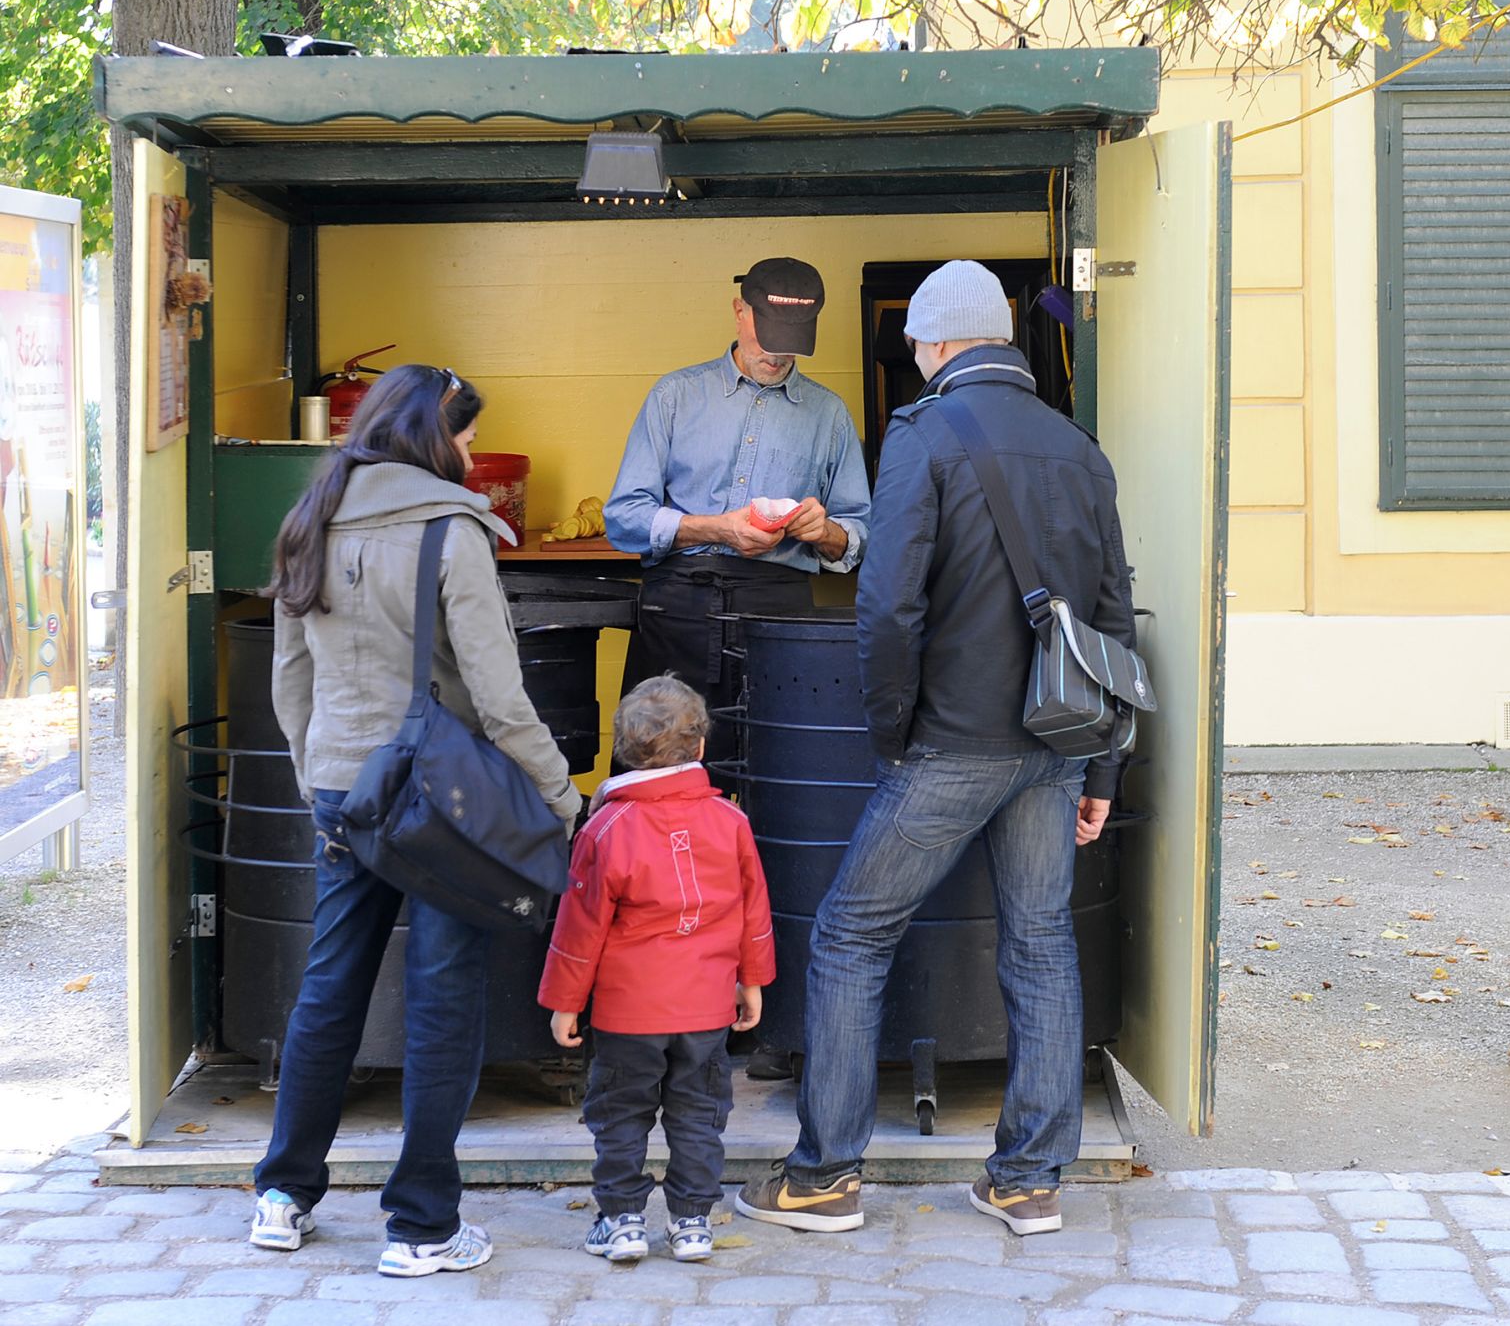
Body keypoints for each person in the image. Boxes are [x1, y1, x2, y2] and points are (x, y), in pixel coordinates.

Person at [736, 261, 1138, 1237]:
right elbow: (1111, 619)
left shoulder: (922, 432)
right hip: (1052, 744)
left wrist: (891, 733)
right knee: (1039, 947)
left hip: (950, 745)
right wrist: (1102, 770)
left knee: (845, 935)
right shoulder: (1079, 449)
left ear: (943, 342)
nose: (911, 360)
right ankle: (1027, 1178)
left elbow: (888, 603)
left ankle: (823, 1175)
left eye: (915, 344)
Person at [252, 364, 582, 1276]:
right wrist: (563, 798)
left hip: (340, 786)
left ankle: (282, 1194)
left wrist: (319, 776)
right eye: (468, 435)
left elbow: (290, 682)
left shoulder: (307, 516)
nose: (474, 452)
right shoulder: (453, 526)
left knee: (330, 985)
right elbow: (499, 698)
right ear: (435, 436)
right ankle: (422, 1225)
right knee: (443, 995)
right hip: (441, 801)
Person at [539, 676, 775, 1264]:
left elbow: (580, 925)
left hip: (627, 1014)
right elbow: (753, 909)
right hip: (705, 1009)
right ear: (700, 749)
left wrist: (564, 1002)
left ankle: (621, 1220)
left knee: (620, 1112)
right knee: (700, 1113)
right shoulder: (731, 821)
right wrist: (751, 982)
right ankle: (693, 1222)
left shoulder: (604, 828)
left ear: (622, 749)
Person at [603, 256, 872, 771]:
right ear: (739, 312)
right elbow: (624, 518)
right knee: (657, 770)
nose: (776, 353)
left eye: (791, 339)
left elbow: (860, 534)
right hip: (678, 606)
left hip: (779, 614)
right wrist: (713, 528)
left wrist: (827, 533)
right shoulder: (675, 396)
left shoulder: (829, 414)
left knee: (776, 776)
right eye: (767, 334)